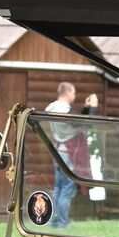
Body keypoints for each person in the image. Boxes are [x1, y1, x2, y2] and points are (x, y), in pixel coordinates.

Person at [45, 81, 78, 227]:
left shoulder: (50, 108)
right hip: (66, 151)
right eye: (73, 92)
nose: (74, 96)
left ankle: (54, 221)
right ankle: (63, 222)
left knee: (58, 188)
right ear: (68, 93)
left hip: (57, 151)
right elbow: (77, 124)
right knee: (66, 189)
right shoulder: (64, 110)